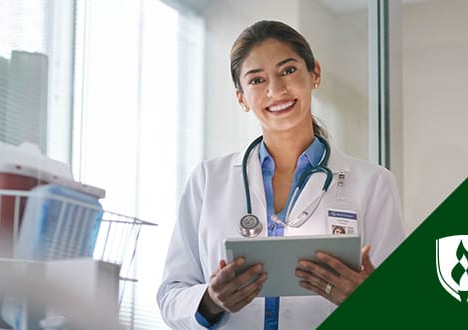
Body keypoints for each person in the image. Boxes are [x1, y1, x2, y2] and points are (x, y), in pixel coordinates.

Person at [156, 20, 405, 329]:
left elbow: (401, 309)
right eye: (257, 80)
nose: (276, 90)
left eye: (288, 71)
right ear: (242, 98)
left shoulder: (373, 184)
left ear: (314, 74)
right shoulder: (208, 181)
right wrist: (211, 300)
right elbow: (171, 294)